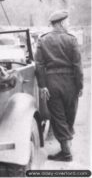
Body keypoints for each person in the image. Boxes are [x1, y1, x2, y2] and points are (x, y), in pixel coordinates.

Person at [34, 10, 83, 162]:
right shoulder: (72, 40)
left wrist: (42, 86)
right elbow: (78, 66)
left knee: (58, 117)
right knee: (69, 114)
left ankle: (66, 148)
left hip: (51, 82)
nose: (68, 24)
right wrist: (80, 86)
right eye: (67, 22)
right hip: (71, 83)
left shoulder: (43, 40)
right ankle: (67, 150)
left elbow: (39, 65)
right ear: (61, 23)